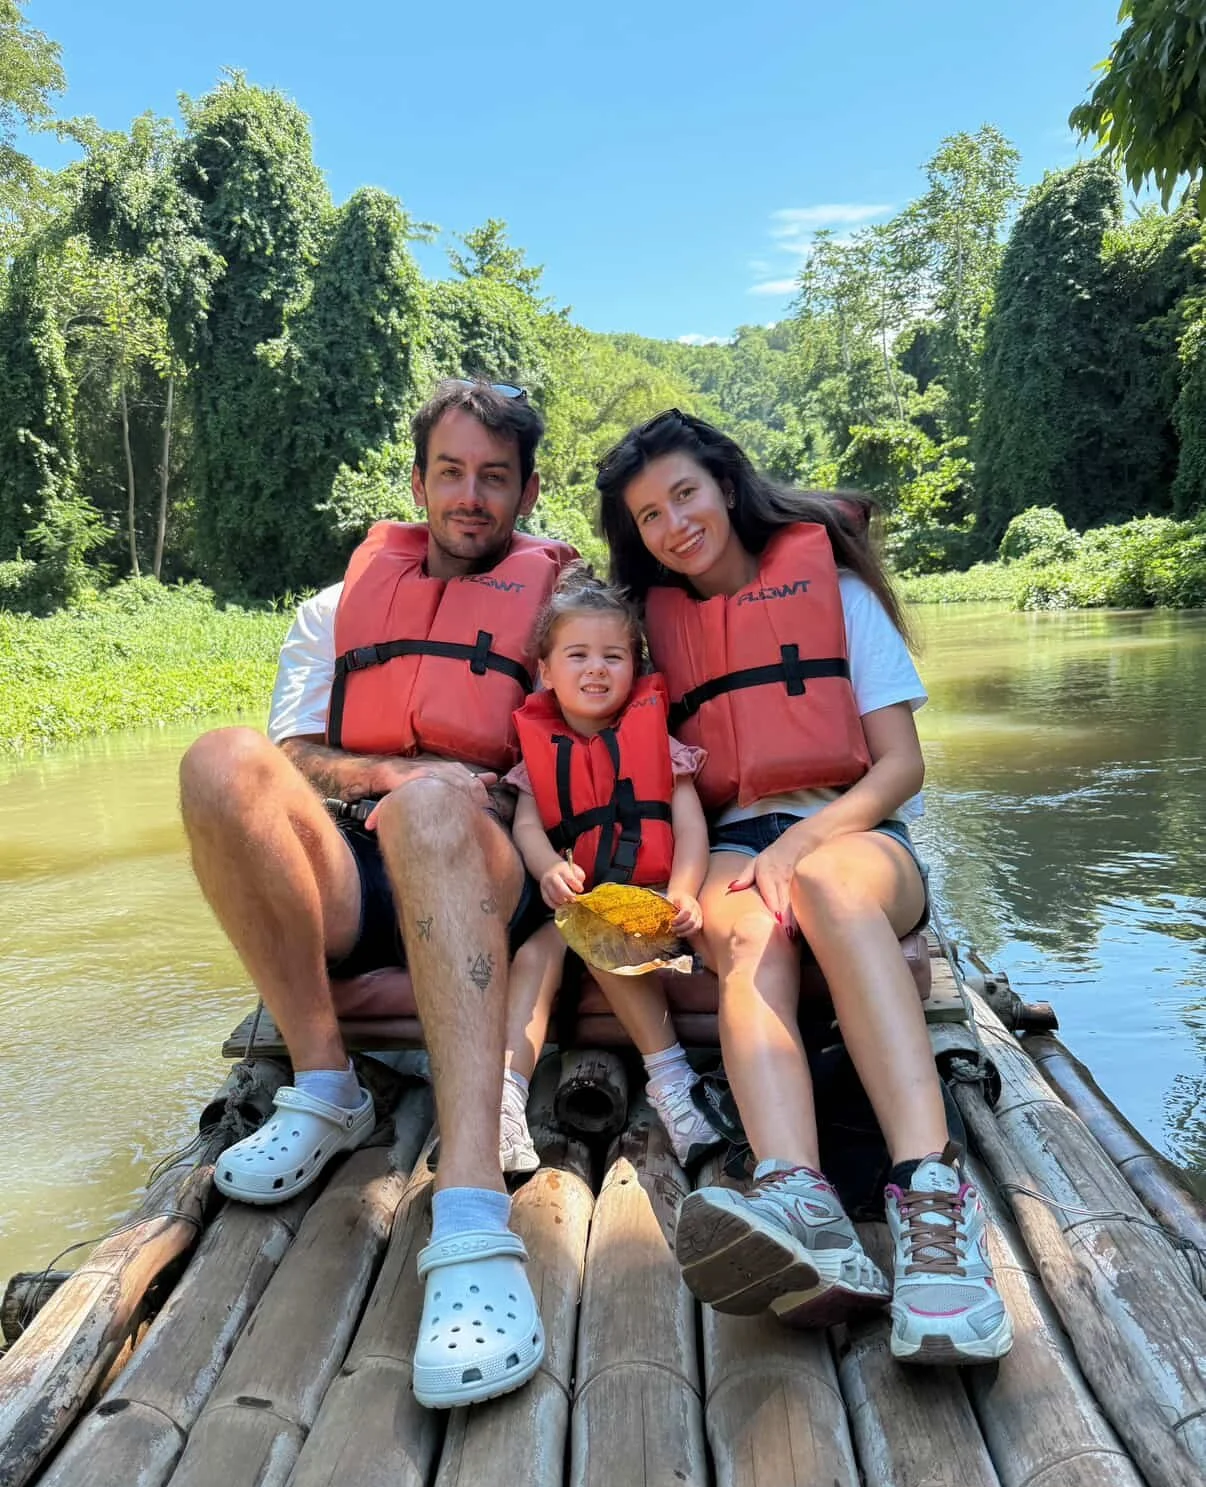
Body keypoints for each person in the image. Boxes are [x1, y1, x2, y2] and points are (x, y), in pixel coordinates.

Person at [179, 378, 577, 1410]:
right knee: (221, 761)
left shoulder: (564, 608)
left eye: (495, 477)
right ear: (418, 482)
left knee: (436, 812)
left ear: (527, 492)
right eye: (451, 473)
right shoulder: (337, 608)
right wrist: (389, 773)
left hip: (487, 861)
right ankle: (327, 1086)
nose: (470, 496)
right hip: (365, 860)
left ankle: (475, 1212)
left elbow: (603, 735)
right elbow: (297, 753)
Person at [595, 410, 1013, 1365]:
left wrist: (808, 840)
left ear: (727, 486)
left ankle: (933, 1196)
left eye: (685, 495)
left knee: (824, 883)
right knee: (745, 936)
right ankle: (799, 1197)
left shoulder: (836, 593)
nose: (673, 525)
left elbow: (900, 767)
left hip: (858, 830)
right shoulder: (655, 632)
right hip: (734, 844)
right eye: (649, 515)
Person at [497, 566, 720, 1171]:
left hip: (643, 904)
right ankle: (506, 1100)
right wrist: (547, 869)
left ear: (635, 667)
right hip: (577, 905)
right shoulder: (538, 753)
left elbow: (690, 826)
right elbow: (527, 826)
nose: (596, 668)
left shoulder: (658, 744)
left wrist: (684, 892)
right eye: (577, 654)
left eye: (613, 656)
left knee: (607, 936)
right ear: (545, 670)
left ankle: (671, 1082)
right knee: (535, 954)